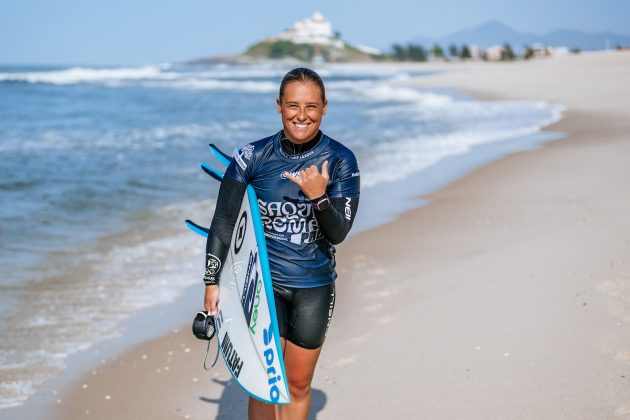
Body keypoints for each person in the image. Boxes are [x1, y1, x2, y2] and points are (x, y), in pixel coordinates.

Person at [202, 67, 360, 419]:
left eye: (311, 106)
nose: (301, 115)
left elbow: (338, 233)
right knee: (262, 381)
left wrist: (319, 198)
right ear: (279, 106)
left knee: (298, 385)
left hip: (313, 287)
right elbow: (225, 220)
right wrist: (211, 280)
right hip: (261, 286)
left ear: (324, 107)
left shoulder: (341, 160)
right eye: (292, 105)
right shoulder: (252, 157)